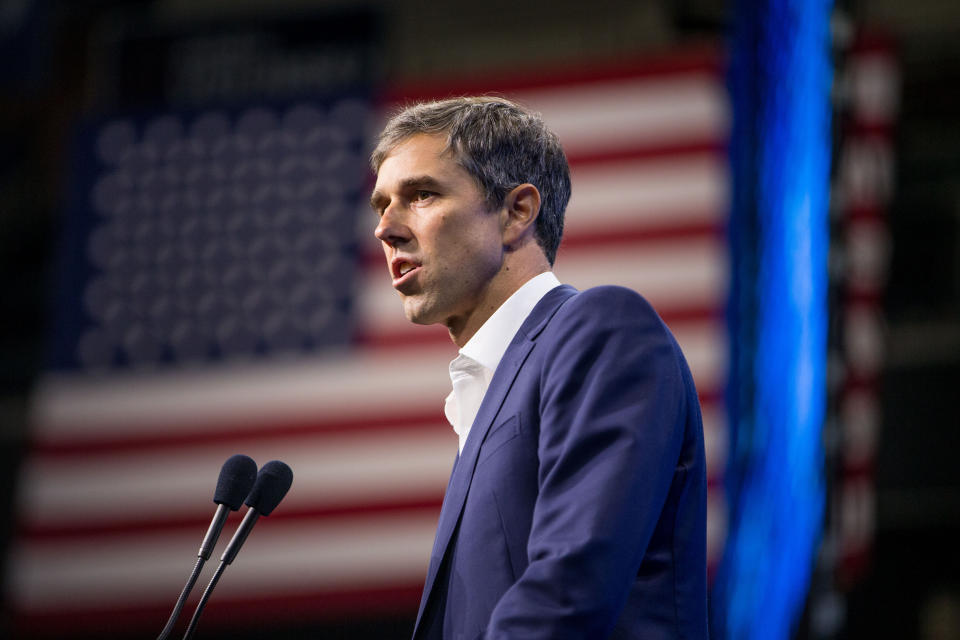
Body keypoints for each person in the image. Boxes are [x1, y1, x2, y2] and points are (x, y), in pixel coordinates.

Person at [369, 96, 708, 639]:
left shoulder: (601, 329)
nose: (386, 229)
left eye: (422, 195)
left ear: (517, 212)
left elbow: (570, 589)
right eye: (381, 205)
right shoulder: (483, 399)